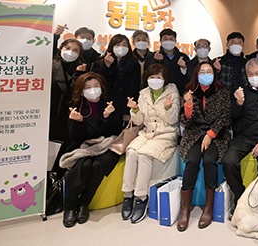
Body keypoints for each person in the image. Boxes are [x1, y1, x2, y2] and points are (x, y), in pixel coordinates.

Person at [58, 72, 122, 228]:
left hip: (107, 145)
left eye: (95, 86)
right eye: (88, 87)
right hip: (85, 146)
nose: (92, 90)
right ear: (81, 90)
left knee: (97, 165)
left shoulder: (108, 104)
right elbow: (75, 138)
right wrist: (77, 122)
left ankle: (83, 203)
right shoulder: (76, 108)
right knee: (84, 164)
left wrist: (108, 117)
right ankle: (70, 206)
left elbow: (116, 131)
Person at [120, 64, 180, 224]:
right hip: (146, 133)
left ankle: (141, 197)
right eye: (152, 77)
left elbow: (173, 120)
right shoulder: (143, 94)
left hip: (165, 134)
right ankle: (127, 195)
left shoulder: (172, 92)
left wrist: (167, 108)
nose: (155, 80)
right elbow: (139, 121)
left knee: (144, 154)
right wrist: (135, 110)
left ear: (165, 79)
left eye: (158, 77)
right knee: (132, 151)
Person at [178, 62, 231, 231]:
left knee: (209, 160)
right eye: (203, 71)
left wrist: (211, 134)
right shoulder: (190, 91)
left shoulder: (221, 92)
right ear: (197, 74)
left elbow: (225, 117)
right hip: (194, 134)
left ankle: (209, 206)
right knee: (192, 161)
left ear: (214, 74)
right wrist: (188, 105)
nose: (206, 74)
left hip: (217, 135)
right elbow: (185, 121)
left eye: (209, 71)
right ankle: (185, 209)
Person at [222, 58, 258, 213]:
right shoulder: (241, 92)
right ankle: (241, 196)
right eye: (250, 74)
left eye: (257, 73)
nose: (254, 76)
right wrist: (238, 103)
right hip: (243, 136)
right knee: (228, 161)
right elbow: (232, 116)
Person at [49, 39, 84, 176]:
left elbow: (75, 93)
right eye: (68, 48)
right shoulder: (52, 65)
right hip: (51, 115)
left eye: (75, 50)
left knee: (62, 153)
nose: (71, 52)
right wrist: (56, 35)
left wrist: (78, 75)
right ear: (61, 48)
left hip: (68, 117)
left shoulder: (80, 68)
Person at [98, 34, 141, 128]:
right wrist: (107, 66)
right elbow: (101, 84)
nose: (121, 47)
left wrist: (127, 111)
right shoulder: (102, 62)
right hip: (106, 104)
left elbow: (133, 88)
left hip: (123, 105)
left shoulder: (134, 64)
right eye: (117, 45)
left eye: (124, 45)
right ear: (112, 46)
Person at [153, 28, 191, 96]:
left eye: (171, 39)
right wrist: (157, 61)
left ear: (175, 41)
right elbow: (148, 76)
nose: (168, 41)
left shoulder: (183, 57)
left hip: (179, 95)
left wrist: (184, 68)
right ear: (160, 41)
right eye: (166, 39)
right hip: (158, 94)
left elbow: (189, 78)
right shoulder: (153, 56)